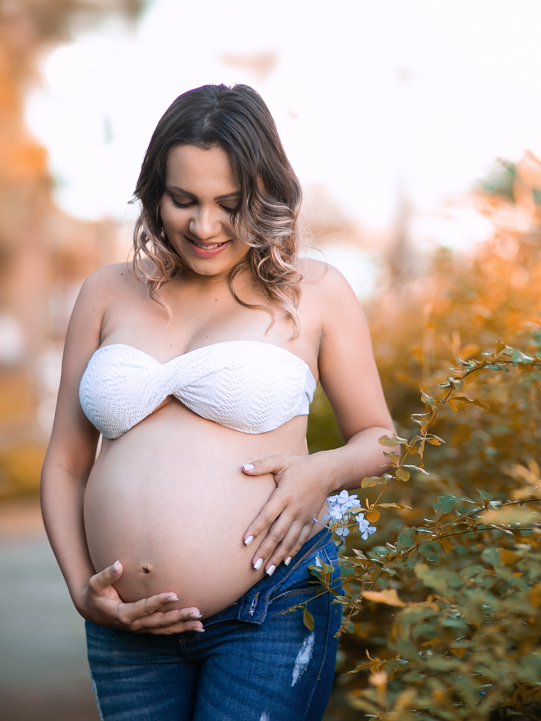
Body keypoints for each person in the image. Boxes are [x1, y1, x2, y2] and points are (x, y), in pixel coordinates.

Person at [40, 84, 394, 721]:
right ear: (155, 192)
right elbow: (66, 464)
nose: (205, 227)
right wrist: (80, 592)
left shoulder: (315, 291)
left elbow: (381, 438)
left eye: (230, 205)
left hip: (272, 607)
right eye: (184, 201)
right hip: (127, 629)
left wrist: (324, 471)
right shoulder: (104, 293)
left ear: (266, 197)